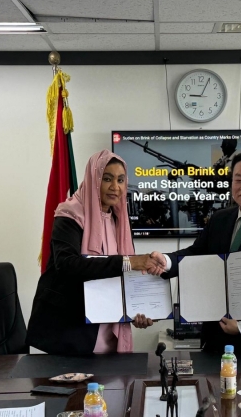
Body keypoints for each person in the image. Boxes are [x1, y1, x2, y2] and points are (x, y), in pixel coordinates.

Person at [149, 150, 241, 353]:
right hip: (216, 336)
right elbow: (196, 254)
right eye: (238, 180)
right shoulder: (220, 219)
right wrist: (166, 261)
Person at [26, 150, 162, 356]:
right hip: (69, 333)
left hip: (108, 334)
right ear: (94, 179)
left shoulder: (118, 220)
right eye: (107, 179)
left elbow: (122, 273)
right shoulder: (70, 214)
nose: (115, 187)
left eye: (120, 180)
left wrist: (138, 310)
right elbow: (68, 264)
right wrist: (129, 262)